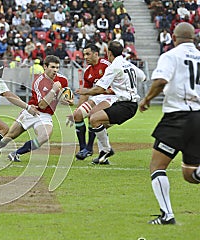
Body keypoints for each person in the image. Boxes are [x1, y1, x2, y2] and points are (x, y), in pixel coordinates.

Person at [138, 22, 200, 225]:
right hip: (198, 117)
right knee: (190, 174)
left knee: (157, 165)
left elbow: (160, 80)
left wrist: (147, 99)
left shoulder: (171, 55)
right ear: (193, 38)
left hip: (177, 117)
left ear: (173, 38)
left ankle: (167, 215)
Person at [0, 55, 71, 162]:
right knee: (9, 136)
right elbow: (42, 105)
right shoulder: (38, 81)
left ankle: (16, 153)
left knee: (44, 136)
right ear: (45, 67)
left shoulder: (63, 80)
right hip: (31, 112)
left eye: (57, 67)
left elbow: (60, 97)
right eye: (53, 67)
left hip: (46, 115)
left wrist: (66, 100)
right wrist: (54, 89)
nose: (55, 70)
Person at [76, 41, 146, 164]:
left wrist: (84, 91)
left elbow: (99, 89)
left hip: (125, 105)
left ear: (109, 53)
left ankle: (106, 150)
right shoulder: (127, 64)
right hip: (127, 103)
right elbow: (143, 77)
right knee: (99, 124)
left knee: (94, 119)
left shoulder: (113, 67)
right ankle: (103, 157)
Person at [70, 44, 117, 160]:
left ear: (96, 54)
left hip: (111, 97)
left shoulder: (107, 66)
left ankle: (89, 148)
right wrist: (78, 108)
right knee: (78, 115)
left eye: (88, 54)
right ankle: (83, 149)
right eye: (84, 54)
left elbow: (116, 85)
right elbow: (85, 93)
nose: (85, 57)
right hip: (97, 97)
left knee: (94, 115)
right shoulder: (87, 72)